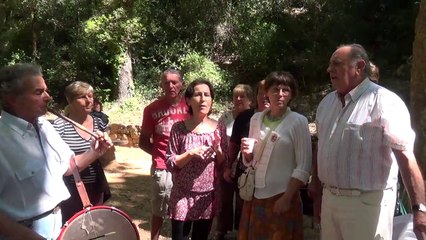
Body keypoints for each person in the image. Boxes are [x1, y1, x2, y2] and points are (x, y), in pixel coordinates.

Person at [310, 43, 426, 240]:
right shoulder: (327, 103)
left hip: (366, 206)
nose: (329, 69)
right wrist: (317, 192)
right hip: (330, 201)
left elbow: (406, 157)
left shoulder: (385, 102)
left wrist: (420, 210)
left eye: (337, 64)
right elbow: (321, 147)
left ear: (359, 66)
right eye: (330, 64)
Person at [0, 63, 112, 240]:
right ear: (12, 98)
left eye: (46, 91)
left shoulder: (45, 126)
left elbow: (68, 167)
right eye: (38, 92)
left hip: (58, 224)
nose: (48, 97)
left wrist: (95, 152)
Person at [238, 71, 312, 240]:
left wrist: (287, 198)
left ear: (291, 94)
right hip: (255, 197)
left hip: (283, 197)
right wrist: (247, 154)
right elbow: (251, 161)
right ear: (266, 93)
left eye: (285, 90)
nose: (280, 94)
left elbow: (304, 166)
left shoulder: (298, 121)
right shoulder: (256, 119)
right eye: (275, 89)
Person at [165, 79, 228, 240]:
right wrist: (191, 153)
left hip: (206, 196)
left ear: (211, 100)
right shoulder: (179, 128)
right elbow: (171, 162)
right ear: (188, 100)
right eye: (198, 95)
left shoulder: (219, 127)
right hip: (182, 194)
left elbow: (223, 163)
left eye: (207, 95)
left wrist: (218, 148)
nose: (203, 99)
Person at [138, 68, 189, 240]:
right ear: (161, 85)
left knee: (183, 207)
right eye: (166, 82)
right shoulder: (151, 109)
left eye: (174, 82)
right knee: (159, 208)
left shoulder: (190, 107)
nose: (170, 85)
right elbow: (143, 141)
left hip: (186, 166)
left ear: (181, 84)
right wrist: (160, 156)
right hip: (163, 168)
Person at [53, 81, 111, 224]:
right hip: (70, 188)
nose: (89, 101)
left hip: (96, 184)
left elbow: (109, 159)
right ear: (70, 100)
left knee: (96, 226)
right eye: (82, 97)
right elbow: (57, 161)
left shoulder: (99, 123)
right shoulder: (60, 126)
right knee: (73, 227)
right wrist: (92, 153)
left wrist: (106, 147)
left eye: (90, 96)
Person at [215, 84, 253, 240]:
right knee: (224, 200)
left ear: (250, 98)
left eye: (242, 96)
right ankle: (222, 231)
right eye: (235, 96)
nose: (238, 99)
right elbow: (218, 139)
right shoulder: (225, 117)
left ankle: (240, 231)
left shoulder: (254, 117)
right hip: (226, 162)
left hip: (245, 167)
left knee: (242, 201)